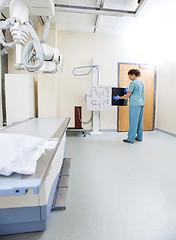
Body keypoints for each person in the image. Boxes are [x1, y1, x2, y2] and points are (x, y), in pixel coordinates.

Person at [113, 69, 145, 144]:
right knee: (139, 121)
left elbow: (127, 96)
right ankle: (139, 137)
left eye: (130, 76)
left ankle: (130, 139)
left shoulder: (133, 83)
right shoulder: (141, 82)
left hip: (134, 104)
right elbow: (137, 92)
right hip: (141, 104)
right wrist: (128, 91)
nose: (129, 78)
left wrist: (119, 97)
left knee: (133, 121)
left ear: (133, 75)